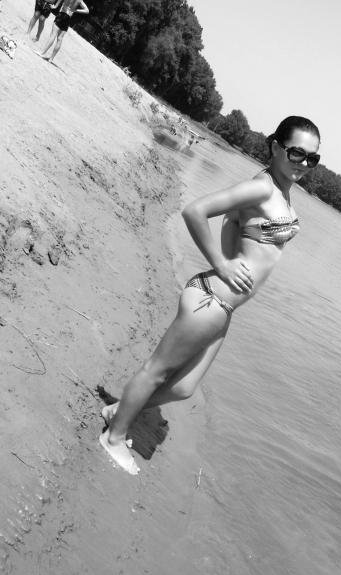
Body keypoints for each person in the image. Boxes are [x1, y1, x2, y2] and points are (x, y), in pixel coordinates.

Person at [100, 115, 321, 474]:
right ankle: (114, 437)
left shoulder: (281, 192)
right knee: (156, 372)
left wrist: (232, 256)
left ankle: (120, 410)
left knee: (184, 387)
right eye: (297, 154)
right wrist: (222, 264)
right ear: (276, 147)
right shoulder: (262, 189)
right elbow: (195, 211)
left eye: (313, 158)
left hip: (223, 307)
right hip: (210, 299)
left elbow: (232, 220)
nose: (304, 164)